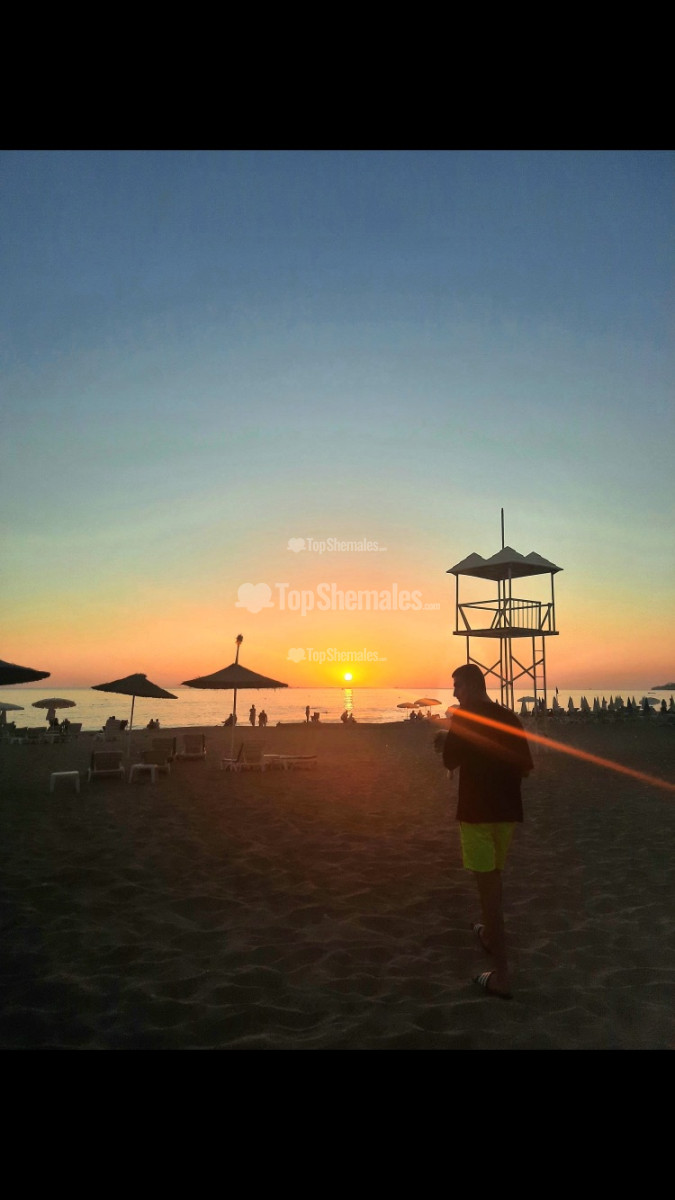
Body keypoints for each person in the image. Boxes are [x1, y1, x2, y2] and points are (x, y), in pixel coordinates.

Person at [436, 663, 533, 1000]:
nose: (454, 693)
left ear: (473, 686)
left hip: (477, 814)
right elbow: (525, 767)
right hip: (507, 814)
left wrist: (449, 737)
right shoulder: (509, 717)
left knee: (488, 891)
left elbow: (449, 761)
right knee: (493, 878)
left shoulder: (464, 717)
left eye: (458, 686)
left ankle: (502, 976)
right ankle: (489, 936)